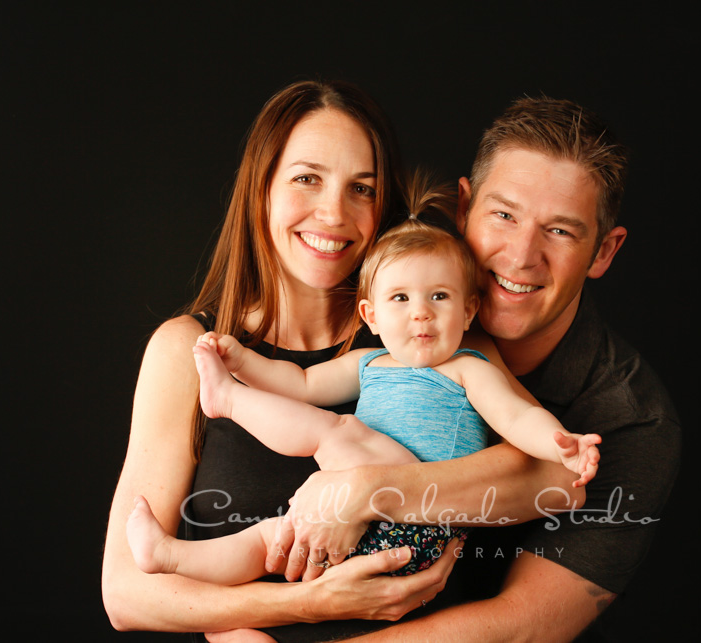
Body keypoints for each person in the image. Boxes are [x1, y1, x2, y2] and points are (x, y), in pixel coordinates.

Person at [102, 80, 609, 642]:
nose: (333, 213)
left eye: (361, 189)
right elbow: (126, 595)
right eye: (307, 178)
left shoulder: (423, 334)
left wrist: (367, 490)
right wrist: (305, 604)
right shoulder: (189, 349)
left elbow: (554, 478)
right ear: (261, 188)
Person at [265, 96, 681, 642]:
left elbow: (522, 628)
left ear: (603, 251)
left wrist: (367, 490)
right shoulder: (394, 289)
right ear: (463, 208)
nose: (520, 256)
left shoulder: (632, 421)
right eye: (503, 215)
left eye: (560, 231)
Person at [125, 210, 603, 586]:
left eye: (439, 296)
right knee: (274, 538)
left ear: (468, 308)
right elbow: (299, 383)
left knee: (338, 432)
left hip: (418, 525)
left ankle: (228, 400)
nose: (421, 315)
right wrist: (244, 363)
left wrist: (561, 442)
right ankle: (170, 555)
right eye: (401, 299)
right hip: (348, 522)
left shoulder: (468, 368)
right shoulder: (369, 363)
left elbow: (517, 416)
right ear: (370, 314)